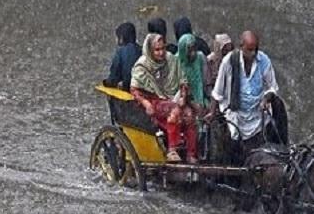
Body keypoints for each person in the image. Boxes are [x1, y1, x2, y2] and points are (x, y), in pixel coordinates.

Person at [210, 30, 288, 158]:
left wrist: (266, 98)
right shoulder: (229, 61)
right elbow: (217, 92)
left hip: (258, 115)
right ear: (241, 47)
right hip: (235, 115)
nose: (253, 54)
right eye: (250, 50)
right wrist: (212, 113)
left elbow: (272, 87)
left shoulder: (263, 60)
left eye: (255, 50)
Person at [130, 33, 198, 163]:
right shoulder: (142, 66)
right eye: (157, 50)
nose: (161, 53)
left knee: (189, 114)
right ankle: (172, 150)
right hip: (153, 100)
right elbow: (134, 89)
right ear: (150, 50)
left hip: (172, 98)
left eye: (163, 49)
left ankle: (191, 154)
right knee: (175, 111)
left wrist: (183, 96)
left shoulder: (171, 60)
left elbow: (183, 81)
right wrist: (146, 104)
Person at [104, 22, 140, 90]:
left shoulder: (120, 52)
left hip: (127, 87)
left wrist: (107, 82)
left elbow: (114, 75)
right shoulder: (141, 50)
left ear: (121, 38)